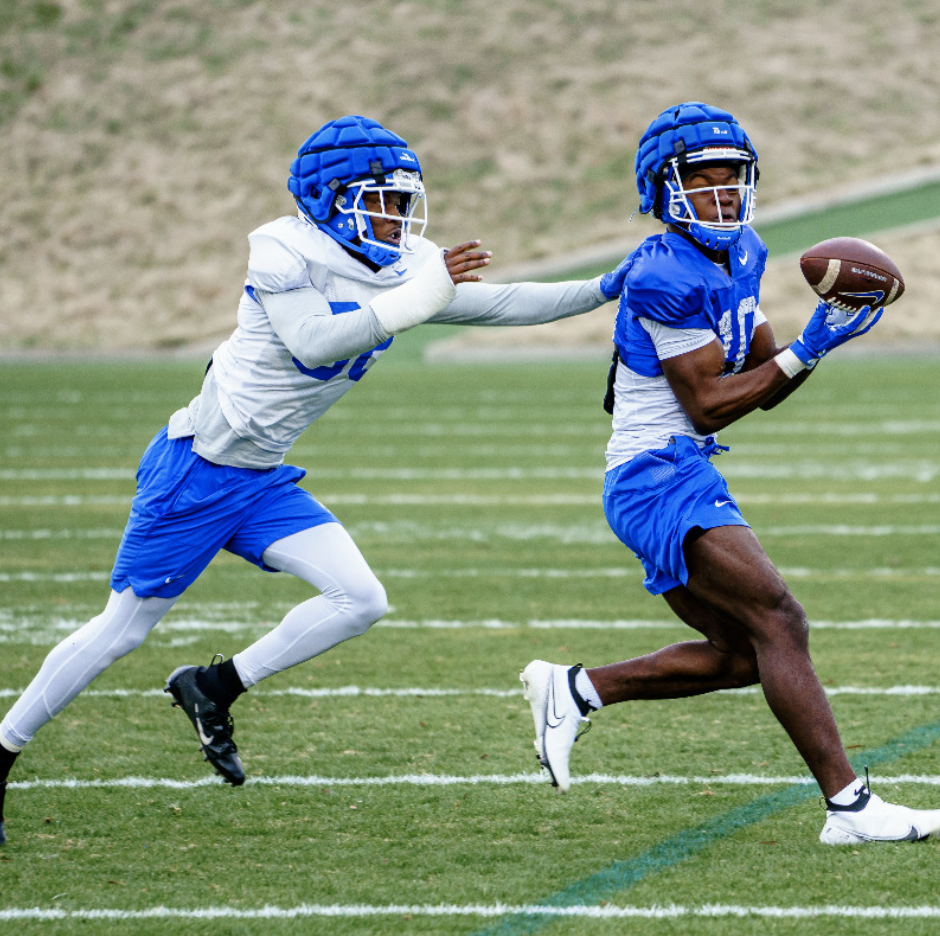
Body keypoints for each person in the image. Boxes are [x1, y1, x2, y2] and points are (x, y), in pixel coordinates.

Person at [0, 114, 629, 845]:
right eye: (381, 202)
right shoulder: (281, 249)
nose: (397, 220)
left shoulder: (401, 265)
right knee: (120, 632)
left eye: (402, 203)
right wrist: (420, 298)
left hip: (261, 479)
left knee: (360, 599)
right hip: (197, 471)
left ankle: (213, 687)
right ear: (329, 199)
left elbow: (504, 301)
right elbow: (313, 340)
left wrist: (608, 285)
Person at [521, 101, 940, 845]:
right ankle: (850, 808)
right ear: (663, 191)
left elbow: (760, 372)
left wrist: (822, 340)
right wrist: (808, 348)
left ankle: (578, 689)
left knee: (745, 654)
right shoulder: (663, 274)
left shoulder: (744, 248)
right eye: (700, 180)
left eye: (731, 178)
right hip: (656, 475)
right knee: (781, 616)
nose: (720, 193)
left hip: (674, 472)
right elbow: (712, 405)